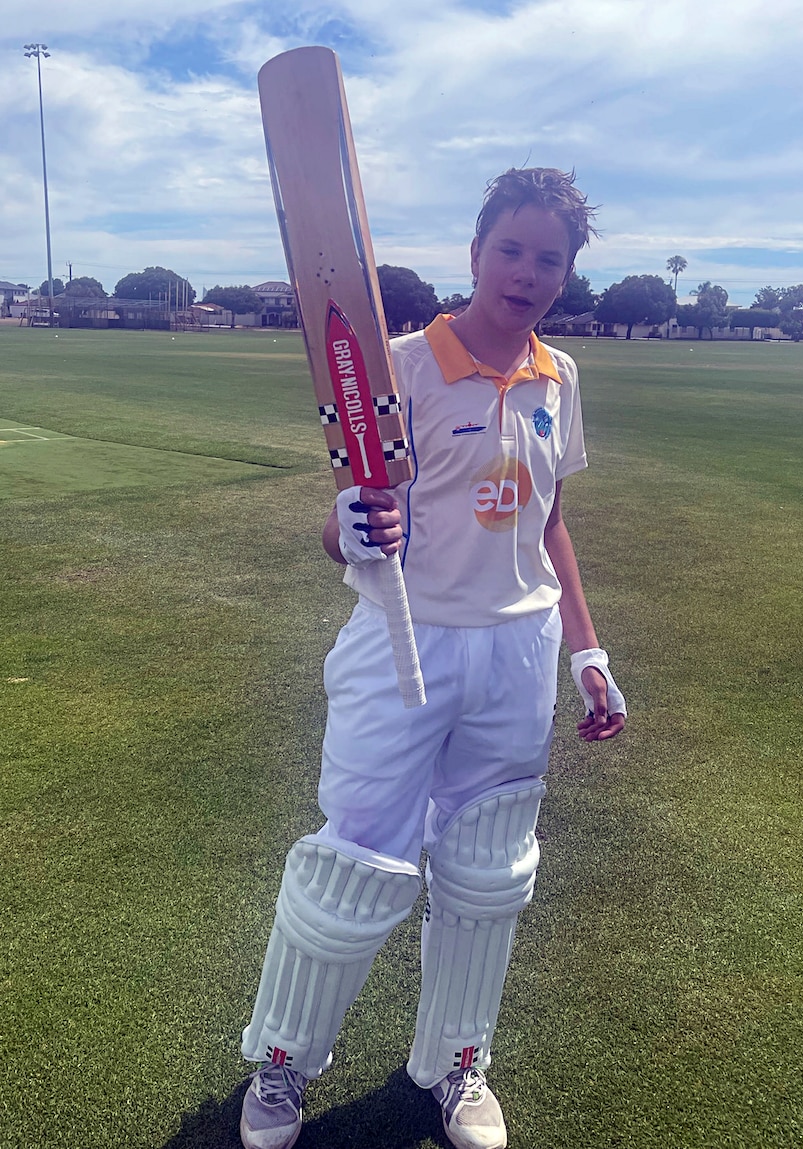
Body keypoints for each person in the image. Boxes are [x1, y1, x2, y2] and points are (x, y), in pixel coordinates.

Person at [239, 167, 626, 1149]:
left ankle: (457, 1066)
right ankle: (281, 1071)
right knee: (353, 863)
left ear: (566, 272)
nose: (527, 272)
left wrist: (586, 649)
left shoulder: (558, 378)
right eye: (511, 250)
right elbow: (352, 521)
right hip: (401, 643)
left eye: (549, 258)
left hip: (515, 650)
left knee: (487, 872)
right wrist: (346, 528)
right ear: (476, 252)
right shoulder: (400, 365)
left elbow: (552, 522)